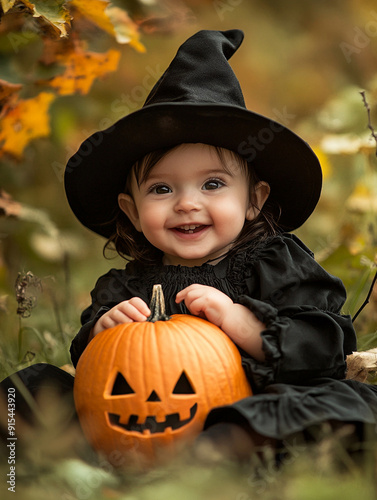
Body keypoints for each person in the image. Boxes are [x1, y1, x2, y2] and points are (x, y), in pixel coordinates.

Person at [2, 29, 377, 463]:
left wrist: (241, 322)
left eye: (213, 184)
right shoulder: (128, 286)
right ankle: (45, 456)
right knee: (29, 390)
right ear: (131, 210)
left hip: (252, 405)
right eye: (161, 189)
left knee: (302, 409)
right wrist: (100, 333)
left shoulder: (275, 263)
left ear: (254, 200)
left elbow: (322, 350)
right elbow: (96, 374)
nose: (186, 203)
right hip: (136, 416)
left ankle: (220, 457)